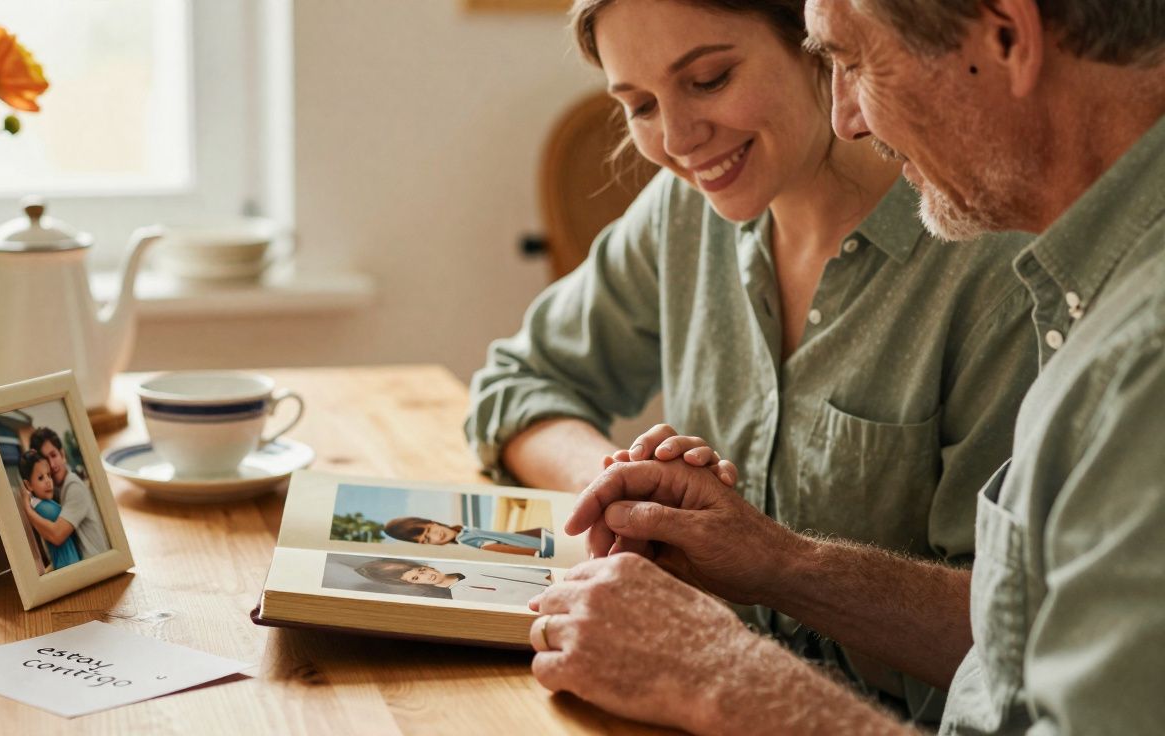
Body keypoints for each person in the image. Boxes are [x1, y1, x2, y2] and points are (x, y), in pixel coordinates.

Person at [526, 0, 1165, 733]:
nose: (847, 119)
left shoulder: (1134, 347)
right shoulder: (1086, 291)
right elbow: (1018, 645)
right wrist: (767, 562)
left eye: (855, 62)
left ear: (1008, 36)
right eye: (638, 104)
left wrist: (724, 674)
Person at [26, 427, 109, 560]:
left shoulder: (74, 487)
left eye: (53, 455)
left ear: (63, 455)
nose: (52, 465)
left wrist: (28, 511)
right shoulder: (57, 489)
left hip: (96, 565)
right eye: (46, 460)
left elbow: (57, 535)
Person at [354, 558, 552, 606]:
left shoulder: (466, 568)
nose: (426, 576)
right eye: (416, 578)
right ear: (412, 584)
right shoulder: (460, 596)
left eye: (421, 570)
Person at [17, 449, 81, 571]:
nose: (48, 481)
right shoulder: (45, 508)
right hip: (69, 565)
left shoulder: (43, 505)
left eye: (49, 475)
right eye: (41, 478)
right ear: (28, 485)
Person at [382, 516, 551, 557]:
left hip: (538, 540)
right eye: (427, 540)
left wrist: (538, 531)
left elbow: (503, 536)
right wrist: (534, 554)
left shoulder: (462, 531)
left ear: (432, 522)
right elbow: (492, 547)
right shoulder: (464, 540)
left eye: (428, 530)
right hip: (537, 549)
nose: (435, 535)